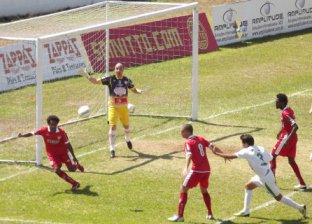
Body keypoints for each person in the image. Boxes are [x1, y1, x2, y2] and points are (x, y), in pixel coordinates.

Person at [212, 134, 306, 218]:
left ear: (245, 143)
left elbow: (230, 157)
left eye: (242, 142)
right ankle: (246, 211)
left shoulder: (246, 151)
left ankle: (300, 207)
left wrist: (216, 153)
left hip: (265, 179)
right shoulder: (261, 148)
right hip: (265, 174)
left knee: (278, 197)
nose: (241, 144)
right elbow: (270, 158)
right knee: (248, 186)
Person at [80, 63, 150, 158]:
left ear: (123, 70)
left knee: (126, 127)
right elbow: (95, 81)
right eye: (117, 68)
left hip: (124, 108)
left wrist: (141, 91)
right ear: (114, 70)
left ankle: (127, 139)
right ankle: (112, 149)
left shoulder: (127, 80)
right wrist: (87, 76)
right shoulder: (110, 79)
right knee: (113, 127)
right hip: (113, 107)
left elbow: (133, 90)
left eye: (120, 68)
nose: (118, 70)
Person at [168, 124, 223, 222]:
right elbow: (212, 146)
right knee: (204, 190)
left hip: (197, 170)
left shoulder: (188, 142)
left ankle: (180, 216)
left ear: (187, 132)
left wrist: (186, 167)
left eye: (182, 131)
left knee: (183, 188)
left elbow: (189, 155)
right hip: (207, 170)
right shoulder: (201, 138)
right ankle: (210, 213)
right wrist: (223, 155)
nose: (181, 133)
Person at [18, 115, 84, 190]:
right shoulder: (44, 130)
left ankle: (76, 165)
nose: (53, 126)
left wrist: (74, 157)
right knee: (56, 170)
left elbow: (68, 144)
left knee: (71, 169)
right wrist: (22, 135)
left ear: (57, 124)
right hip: (53, 155)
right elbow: (32, 133)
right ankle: (75, 183)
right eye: (51, 124)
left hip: (63, 153)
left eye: (55, 124)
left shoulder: (62, 132)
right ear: (49, 124)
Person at [270, 93, 307, 190]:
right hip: (292, 137)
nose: (275, 102)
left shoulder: (285, 113)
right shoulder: (288, 110)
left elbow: (295, 126)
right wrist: (280, 132)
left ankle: (272, 183)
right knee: (291, 160)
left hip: (287, 138)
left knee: (272, 156)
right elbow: (288, 125)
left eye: (277, 101)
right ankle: (302, 183)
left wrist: (287, 140)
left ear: (282, 103)